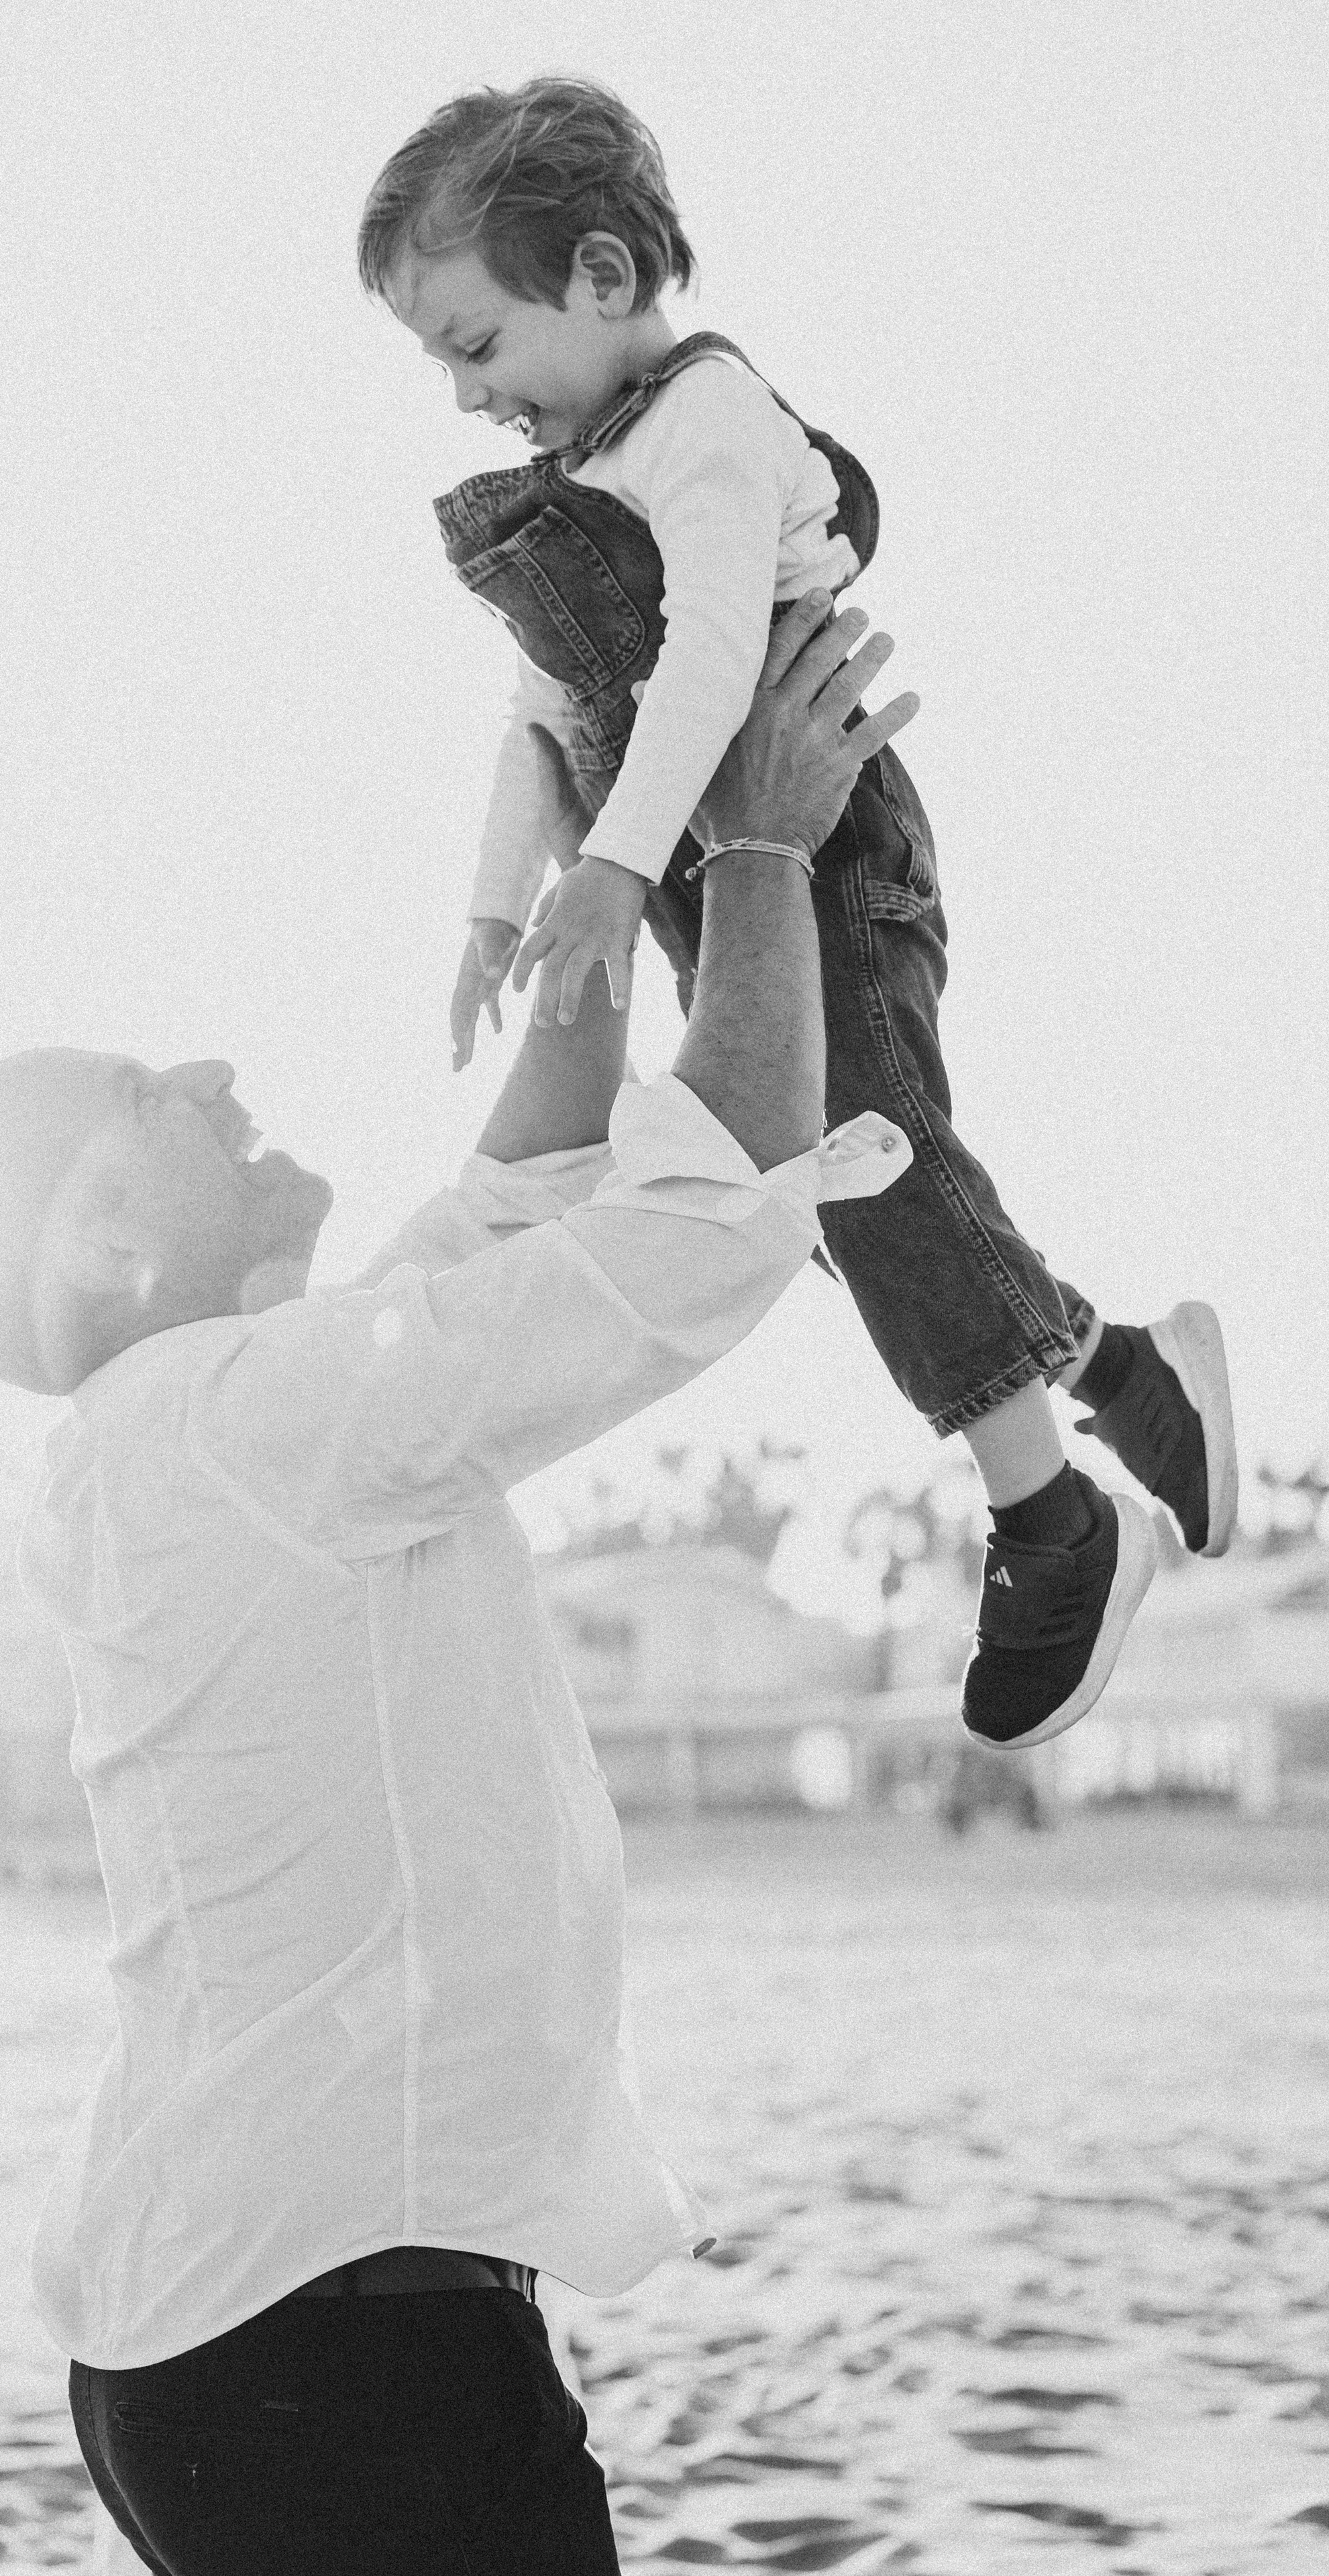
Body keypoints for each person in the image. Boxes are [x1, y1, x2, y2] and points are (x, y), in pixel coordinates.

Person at [0, 598, 912, 2574]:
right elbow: (685, 1246)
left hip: (239, 2337)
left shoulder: (198, 1435)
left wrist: (597, 868)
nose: (208, 1069)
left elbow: (520, 1196)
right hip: (333, 2354)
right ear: (113, 1246)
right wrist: (763, 848)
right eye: (150, 1092)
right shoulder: (238, 1427)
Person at [356, 74, 1238, 1750]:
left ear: (602, 279)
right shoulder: (586, 462)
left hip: (816, 841)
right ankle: (1126, 1380)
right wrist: (496, 908)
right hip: (701, 868)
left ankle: (1057, 1520)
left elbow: (704, 665)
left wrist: (613, 870)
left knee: (866, 1169)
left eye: (474, 344)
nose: (463, 394)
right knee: (842, 1192)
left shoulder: (704, 427)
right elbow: (543, 710)